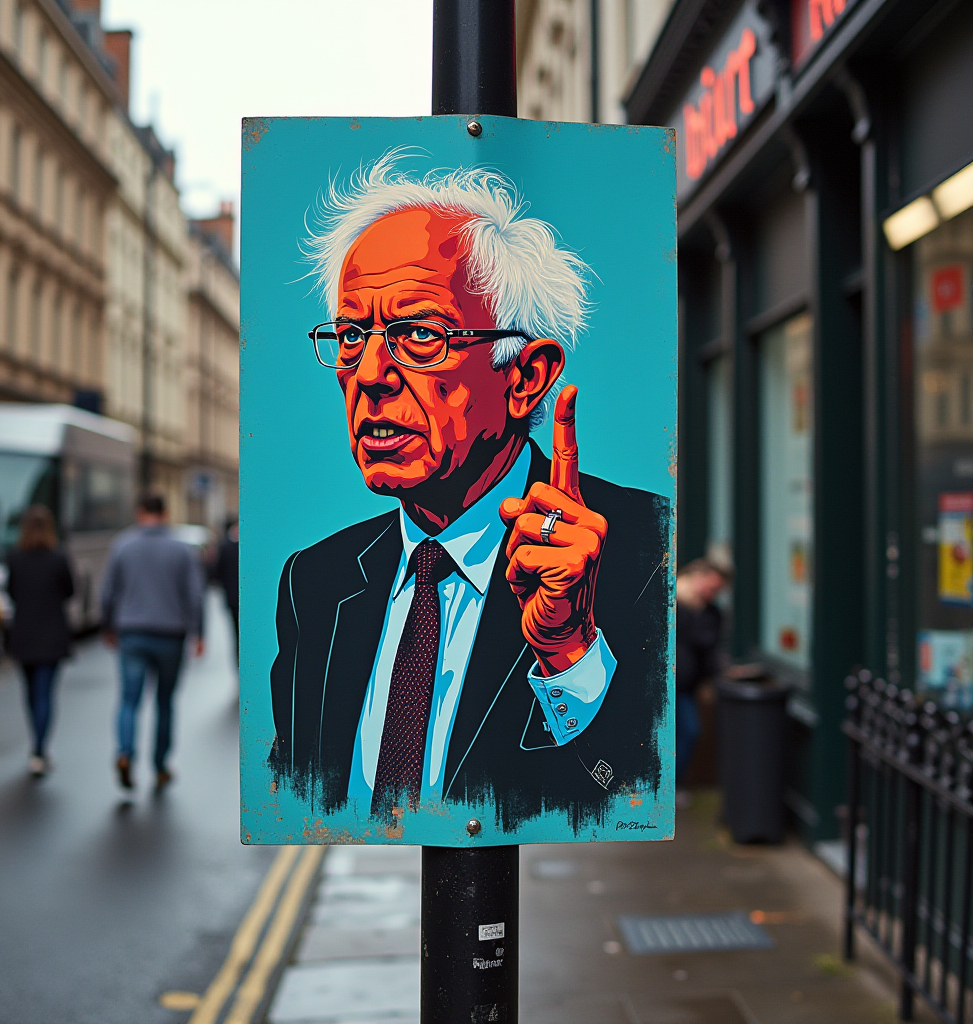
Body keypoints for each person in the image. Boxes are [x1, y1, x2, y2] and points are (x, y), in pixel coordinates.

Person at [268, 156, 671, 832]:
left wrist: (569, 649)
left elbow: (624, 798)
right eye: (350, 335)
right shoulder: (316, 580)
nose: (368, 375)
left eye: (419, 336)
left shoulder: (644, 548)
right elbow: (301, 793)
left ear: (525, 378)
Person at [100, 493, 205, 791]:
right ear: (166, 512)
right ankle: (160, 766)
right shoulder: (182, 549)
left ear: (139, 511)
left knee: (129, 700)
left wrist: (108, 626)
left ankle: (124, 752)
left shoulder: (122, 545)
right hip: (170, 635)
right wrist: (199, 633)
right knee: (164, 703)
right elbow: (194, 596)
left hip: (131, 633)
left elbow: (107, 592)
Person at [6, 506, 75, 778]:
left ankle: (36, 744)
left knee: (30, 694)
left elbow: (11, 592)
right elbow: (69, 592)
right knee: (45, 693)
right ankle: (39, 749)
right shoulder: (58, 558)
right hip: (51, 636)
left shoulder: (15, 558)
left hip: (23, 635)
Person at [674, 558, 730, 792]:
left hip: (686, 687)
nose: (711, 594)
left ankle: (672, 785)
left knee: (689, 730)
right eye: (710, 587)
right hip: (661, 686)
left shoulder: (710, 614)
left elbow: (708, 650)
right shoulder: (671, 604)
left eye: (716, 590)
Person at [212, 515, 238, 662]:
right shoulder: (249, 546)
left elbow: (217, 573)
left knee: (236, 636)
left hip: (232, 599)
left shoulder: (225, 546)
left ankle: (239, 669)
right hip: (239, 601)